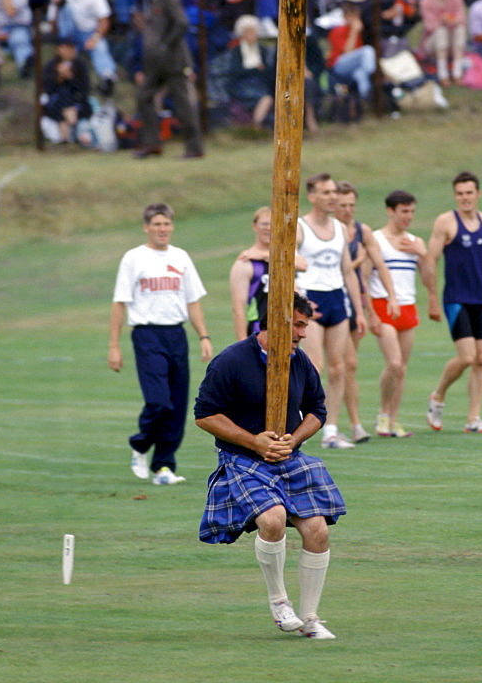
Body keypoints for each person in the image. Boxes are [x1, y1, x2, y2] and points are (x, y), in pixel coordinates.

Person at [194, 292, 345, 640]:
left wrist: (293, 439)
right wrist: (254, 441)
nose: (304, 334)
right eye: (299, 325)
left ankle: (310, 618)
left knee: (318, 529)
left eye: (306, 326)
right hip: (242, 459)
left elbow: (317, 410)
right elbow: (204, 415)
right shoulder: (230, 361)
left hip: (289, 457)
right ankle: (279, 602)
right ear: (275, 323)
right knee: (273, 518)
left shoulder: (301, 362)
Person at [108, 202, 213, 485]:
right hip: (146, 334)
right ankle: (140, 444)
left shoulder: (181, 258)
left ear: (172, 226)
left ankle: (163, 467)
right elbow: (120, 303)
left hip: (176, 335)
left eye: (166, 224)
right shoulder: (134, 258)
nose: (162, 229)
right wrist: (114, 346)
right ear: (146, 227)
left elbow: (193, 301)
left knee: (178, 405)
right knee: (159, 402)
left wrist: (203, 336)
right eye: (156, 224)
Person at [425, 171, 482, 434]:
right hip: (455, 298)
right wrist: (432, 297)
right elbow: (431, 260)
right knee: (467, 357)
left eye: (469, 192)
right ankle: (438, 395)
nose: (465, 198)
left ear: (478, 194)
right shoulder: (446, 222)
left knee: (481, 360)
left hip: (481, 299)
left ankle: (473, 419)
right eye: (460, 193)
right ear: (455, 196)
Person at [296, 173, 367, 449]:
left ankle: (332, 430)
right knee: (316, 366)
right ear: (312, 196)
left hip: (337, 299)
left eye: (334, 192)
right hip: (310, 300)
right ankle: (302, 422)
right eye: (325, 192)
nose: (332, 197)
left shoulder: (340, 227)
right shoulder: (301, 227)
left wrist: (358, 311)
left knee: (338, 368)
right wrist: (300, 297)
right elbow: (289, 265)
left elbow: (347, 270)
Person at [333, 181, 398, 444]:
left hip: (356, 302)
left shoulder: (362, 231)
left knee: (350, 364)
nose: (347, 210)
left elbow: (380, 265)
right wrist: (358, 261)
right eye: (342, 205)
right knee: (340, 365)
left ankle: (354, 424)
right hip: (333, 300)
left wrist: (392, 296)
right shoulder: (327, 231)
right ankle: (335, 424)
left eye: (351, 205)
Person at [365, 190, 430, 438]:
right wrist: (370, 312)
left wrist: (422, 254)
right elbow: (364, 276)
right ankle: (382, 413)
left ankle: (393, 421)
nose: (409, 216)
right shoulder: (376, 239)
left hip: (408, 305)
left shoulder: (415, 240)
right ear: (390, 211)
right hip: (382, 304)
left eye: (412, 211)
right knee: (393, 363)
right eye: (404, 211)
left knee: (402, 368)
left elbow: (428, 279)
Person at [131, 0, 204, 160]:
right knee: (143, 97)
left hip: (172, 62)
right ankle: (152, 143)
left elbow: (181, 22)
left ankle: (194, 147)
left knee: (182, 104)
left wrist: (165, 45)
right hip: (156, 64)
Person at [229, 206, 308, 340]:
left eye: (273, 224)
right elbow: (238, 308)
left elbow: (303, 265)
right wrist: (242, 344)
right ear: (254, 226)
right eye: (264, 224)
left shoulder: (284, 256)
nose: (269, 228)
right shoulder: (245, 262)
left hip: (287, 329)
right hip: (258, 330)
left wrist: (266, 255)